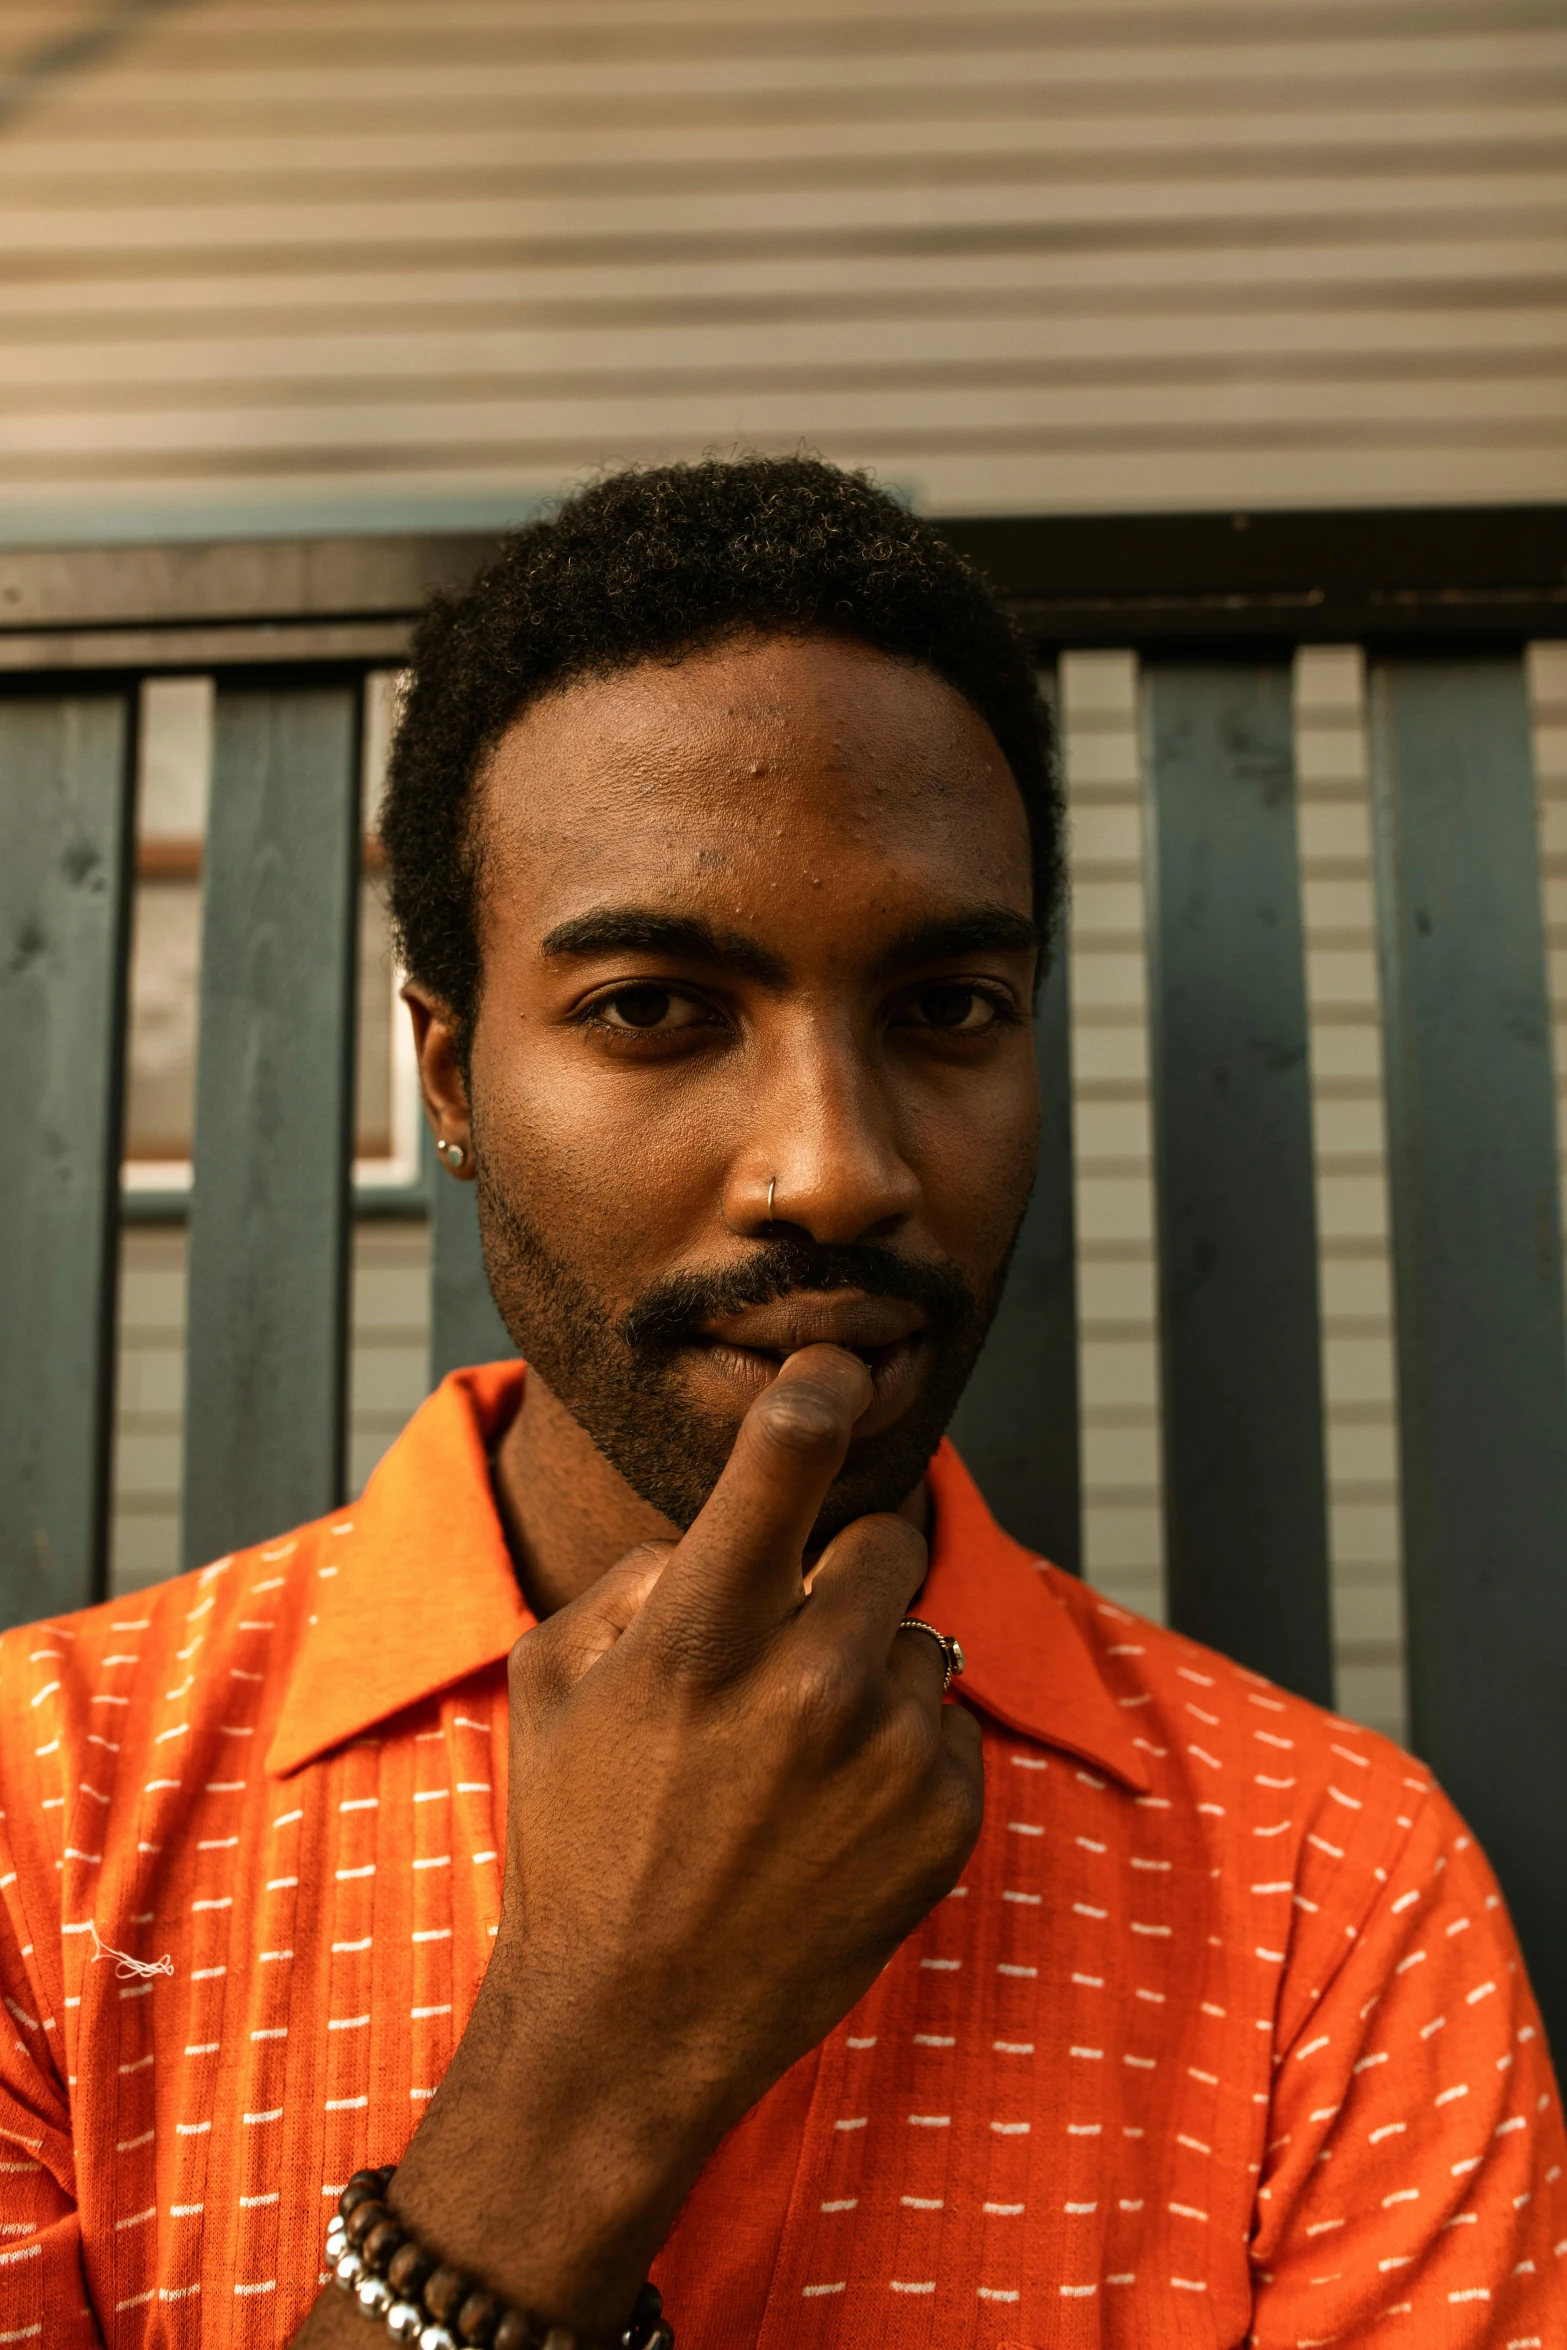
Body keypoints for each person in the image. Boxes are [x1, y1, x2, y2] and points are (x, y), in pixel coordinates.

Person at [0, 459, 1560, 2350]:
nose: (832, 1168)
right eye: (656, 1006)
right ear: (453, 1075)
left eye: (949, 1007)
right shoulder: (42, 1818)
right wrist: (584, 2069)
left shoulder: (1331, 1892)